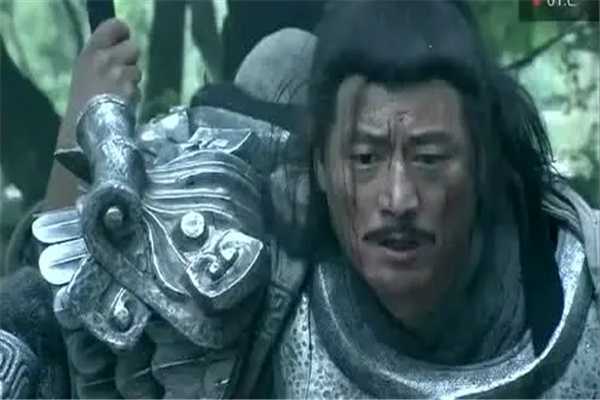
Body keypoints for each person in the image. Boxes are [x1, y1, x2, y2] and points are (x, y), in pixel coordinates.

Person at [1, 1, 599, 398]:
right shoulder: (240, 259)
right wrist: (82, 125)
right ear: (320, 167)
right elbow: (44, 326)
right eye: (366, 160)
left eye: (430, 158)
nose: (398, 199)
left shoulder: (578, 275)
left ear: (482, 165)